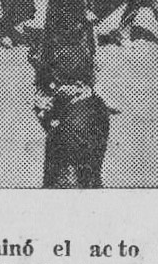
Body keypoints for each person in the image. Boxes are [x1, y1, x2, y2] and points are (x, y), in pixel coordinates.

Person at [36, 47, 110, 188]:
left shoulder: (68, 126)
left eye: (57, 85)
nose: (54, 90)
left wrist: (46, 117)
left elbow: (64, 173)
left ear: (77, 85)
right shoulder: (99, 104)